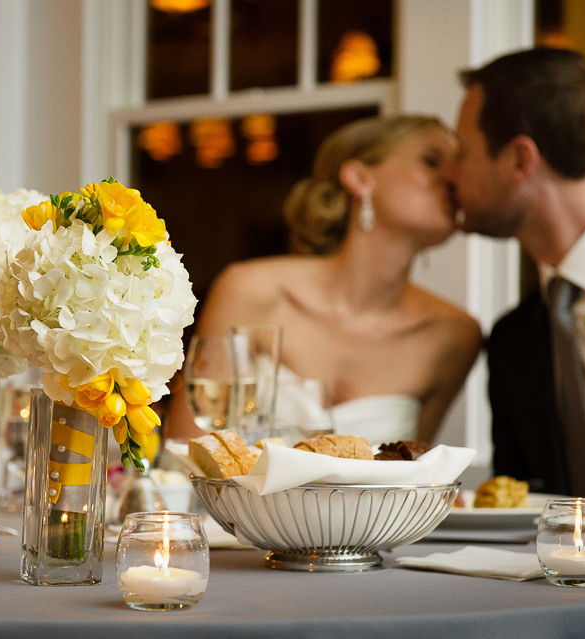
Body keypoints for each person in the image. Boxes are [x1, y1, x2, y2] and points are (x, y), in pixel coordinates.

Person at [168, 115, 482, 445]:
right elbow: (185, 456)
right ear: (360, 177)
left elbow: (414, 481)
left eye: (457, 165)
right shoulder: (249, 289)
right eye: (432, 161)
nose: (452, 177)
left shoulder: (454, 336)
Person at [446, 47, 585, 513]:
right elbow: (522, 510)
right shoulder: (514, 340)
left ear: (519, 160)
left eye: (461, 151)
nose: (450, 173)